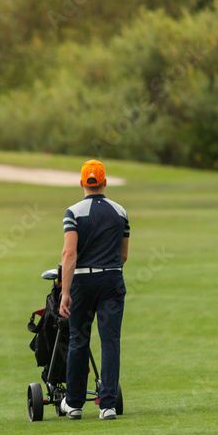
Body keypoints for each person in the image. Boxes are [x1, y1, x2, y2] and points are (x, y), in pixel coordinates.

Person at [58, 160, 129, 420]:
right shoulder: (120, 212)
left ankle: (74, 404)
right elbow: (123, 254)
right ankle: (107, 405)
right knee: (110, 341)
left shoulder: (73, 212)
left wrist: (66, 292)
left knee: (78, 340)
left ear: (81, 183)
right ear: (105, 182)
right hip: (112, 281)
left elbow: (69, 253)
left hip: (82, 283)